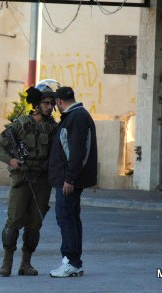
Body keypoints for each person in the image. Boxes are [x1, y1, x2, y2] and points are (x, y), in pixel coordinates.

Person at [0, 79, 59, 277]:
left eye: (51, 104)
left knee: (35, 224)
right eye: (46, 103)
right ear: (37, 104)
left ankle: (26, 264)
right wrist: (11, 161)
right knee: (14, 221)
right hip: (22, 179)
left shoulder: (53, 128)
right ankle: (7, 262)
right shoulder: (21, 125)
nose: (50, 107)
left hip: (42, 182)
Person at [48, 86, 98, 278]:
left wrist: (69, 178)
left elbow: (76, 152)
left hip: (68, 181)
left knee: (65, 217)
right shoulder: (78, 116)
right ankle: (74, 263)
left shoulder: (75, 118)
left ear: (59, 102)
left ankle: (70, 261)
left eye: (55, 103)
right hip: (69, 179)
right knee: (71, 217)